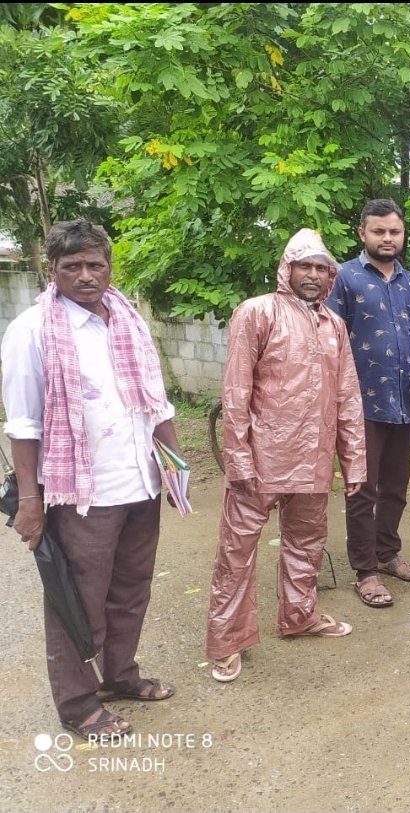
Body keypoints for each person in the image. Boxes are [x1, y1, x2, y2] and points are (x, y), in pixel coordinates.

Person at [2, 219, 180, 738]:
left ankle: (120, 677)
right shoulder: (31, 332)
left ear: (109, 266)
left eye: (94, 264)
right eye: (71, 266)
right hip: (82, 494)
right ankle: (78, 705)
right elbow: (24, 425)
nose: (85, 275)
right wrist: (31, 502)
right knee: (76, 600)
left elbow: (156, 403)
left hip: (140, 482)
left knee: (130, 590)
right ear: (50, 270)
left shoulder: (129, 320)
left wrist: (174, 470)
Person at [205, 229, 367, 682]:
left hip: (314, 459)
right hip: (262, 459)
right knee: (236, 553)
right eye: (305, 266)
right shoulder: (258, 312)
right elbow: (236, 390)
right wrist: (238, 458)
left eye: (321, 268)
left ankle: (301, 617)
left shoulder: (333, 325)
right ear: (287, 269)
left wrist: (353, 460)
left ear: (330, 276)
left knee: (307, 544)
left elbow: (347, 396)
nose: (313, 275)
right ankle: (227, 640)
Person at [327, 199, 410, 609]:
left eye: (394, 232)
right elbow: (329, 339)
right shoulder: (344, 278)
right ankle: (365, 570)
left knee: (396, 488)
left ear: (403, 234)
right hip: (360, 403)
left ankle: (387, 554)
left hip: (404, 400)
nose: (388, 238)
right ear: (362, 233)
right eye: (379, 231)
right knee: (362, 489)